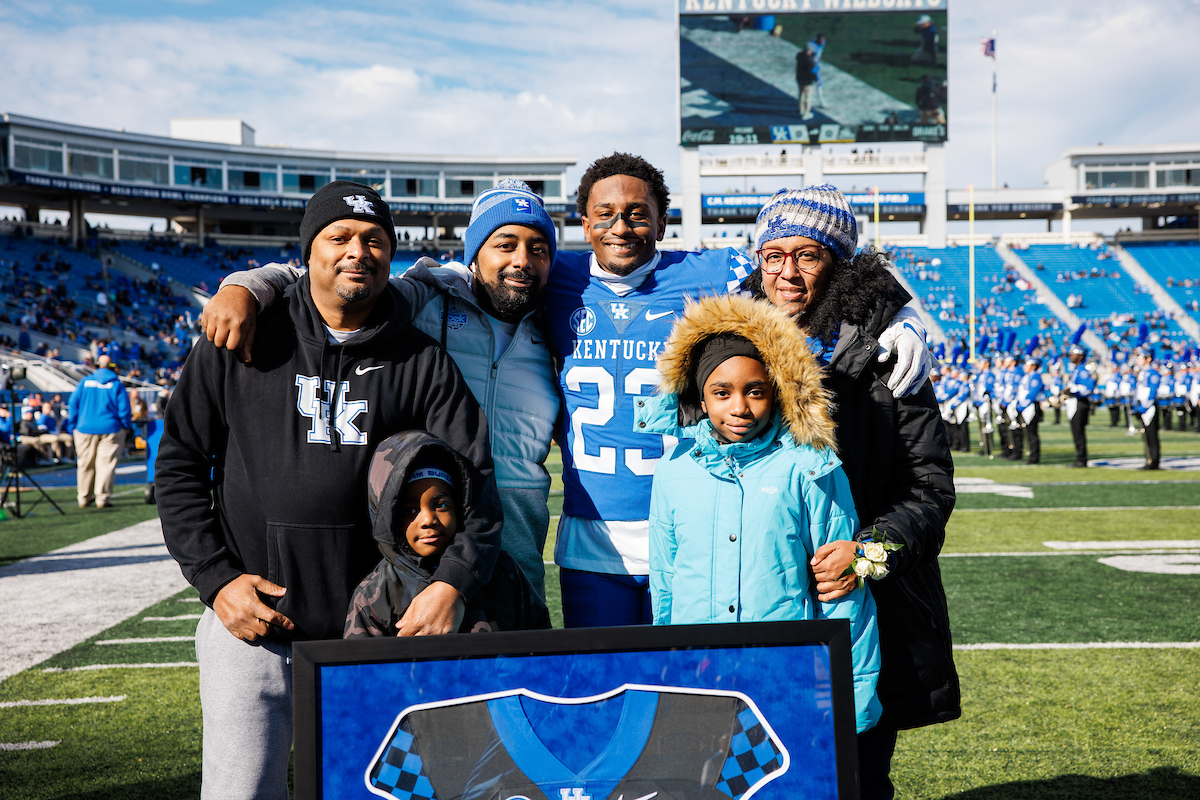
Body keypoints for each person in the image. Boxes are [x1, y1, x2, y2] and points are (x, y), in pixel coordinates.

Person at [156, 181, 503, 800]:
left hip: (373, 633)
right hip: (252, 627)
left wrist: (452, 583)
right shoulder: (243, 337)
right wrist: (216, 579)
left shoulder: (421, 360)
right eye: (338, 237)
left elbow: (475, 481)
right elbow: (179, 464)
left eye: (375, 240)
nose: (357, 252)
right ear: (307, 253)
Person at [545, 156, 933, 629]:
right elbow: (492, 273)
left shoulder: (709, 272)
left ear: (663, 222)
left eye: (638, 212)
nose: (621, 226)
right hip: (597, 536)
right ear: (583, 224)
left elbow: (822, 274)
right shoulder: (552, 277)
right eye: (604, 213)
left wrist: (899, 315)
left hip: (704, 530)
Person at [202, 179, 559, 600]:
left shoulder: (562, 323)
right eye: (505, 244)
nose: (523, 260)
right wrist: (244, 284)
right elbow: (328, 281)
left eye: (539, 248)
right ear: (474, 254)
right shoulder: (427, 295)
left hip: (519, 543)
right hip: (430, 535)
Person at [734, 186, 958, 800]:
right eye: (773, 254)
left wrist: (867, 554)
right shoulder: (732, 340)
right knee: (759, 776)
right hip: (759, 590)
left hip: (853, 601)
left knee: (855, 776)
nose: (786, 271)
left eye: (807, 254)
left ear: (839, 260)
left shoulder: (891, 354)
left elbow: (929, 489)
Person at [645, 293, 881, 735]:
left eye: (755, 391)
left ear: (777, 390)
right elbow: (666, 582)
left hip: (785, 671)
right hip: (702, 674)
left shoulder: (809, 466)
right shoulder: (673, 471)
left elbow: (843, 592)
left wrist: (853, 697)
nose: (739, 407)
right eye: (722, 392)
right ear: (700, 395)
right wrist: (667, 664)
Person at [345, 430, 549, 638]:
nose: (427, 520)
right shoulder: (374, 594)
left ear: (460, 506)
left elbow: (542, 650)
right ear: (388, 516)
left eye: (440, 505)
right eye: (410, 510)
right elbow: (360, 669)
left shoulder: (504, 572)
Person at [67, 354, 132, 508]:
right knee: (106, 465)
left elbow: (73, 404)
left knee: (85, 464)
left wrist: (73, 425)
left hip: (84, 428)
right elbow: (124, 409)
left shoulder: (85, 382)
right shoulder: (116, 384)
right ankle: (102, 499)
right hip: (111, 428)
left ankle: (84, 497)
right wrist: (126, 427)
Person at [1065, 344, 1095, 467]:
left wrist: (1073, 391)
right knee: (1076, 432)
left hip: (1080, 403)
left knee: (1078, 432)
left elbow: (1088, 388)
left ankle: (1081, 459)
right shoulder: (1077, 369)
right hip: (1074, 402)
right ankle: (1080, 457)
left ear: (1080, 356)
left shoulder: (1082, 370)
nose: (1071, 356)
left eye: (1074, 354)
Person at [1133, 349, 1161, 469]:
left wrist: (1143, 408)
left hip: (1149, 408)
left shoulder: (1152, 373)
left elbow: (1152, 392)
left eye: (1140, 358)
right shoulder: (1142, 373)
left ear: (1148, 359)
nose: (1138, 360)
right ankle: (1148, 459)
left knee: (1151, 435)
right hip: (1142, 407)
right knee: (1146, 435)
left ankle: (1154, 460)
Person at [1015, 356, 1045, 464]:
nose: (1024, 366)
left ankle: (1034, 457)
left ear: (1033, 366)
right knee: (1026, 432)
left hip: (1031, 407)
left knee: (1032, 433)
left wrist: (1022, 406)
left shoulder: (1035, 377)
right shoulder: (1027, 377)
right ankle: (1031, 455)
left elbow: (1032, 394)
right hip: (1024, 407)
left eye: (1027, 364)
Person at [795, 43, 818, 119]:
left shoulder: (799, 56)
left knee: (801, 95)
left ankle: (800, 109)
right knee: (808, 97)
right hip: (807, 81)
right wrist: (816, 80)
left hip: (799, 78)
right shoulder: (809, 60)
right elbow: (812, 71)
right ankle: (806, 113)